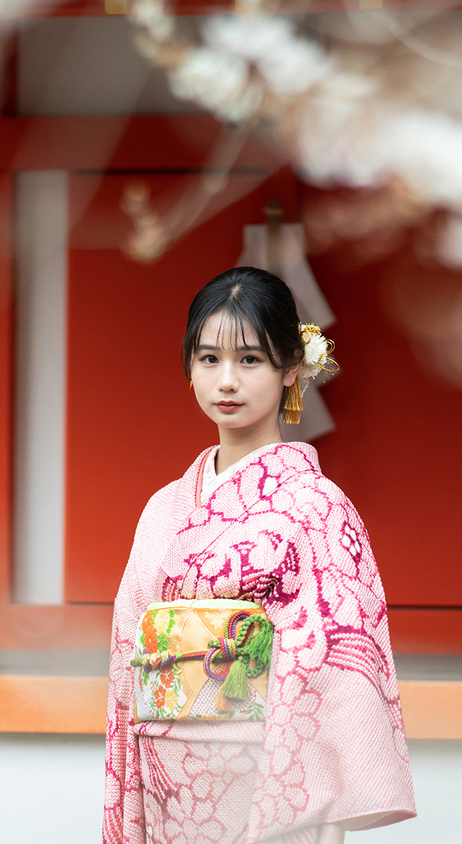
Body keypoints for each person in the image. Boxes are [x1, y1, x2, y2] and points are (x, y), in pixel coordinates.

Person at [103, 266, 416, 844]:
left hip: (266, 775)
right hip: (166, 771)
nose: (227, 381)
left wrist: (314, 813)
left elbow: (335, 665)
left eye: (249, 360)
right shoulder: (164, 507)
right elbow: (130, 647)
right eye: (208, 359)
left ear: (290, 368)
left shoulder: (314, 506)